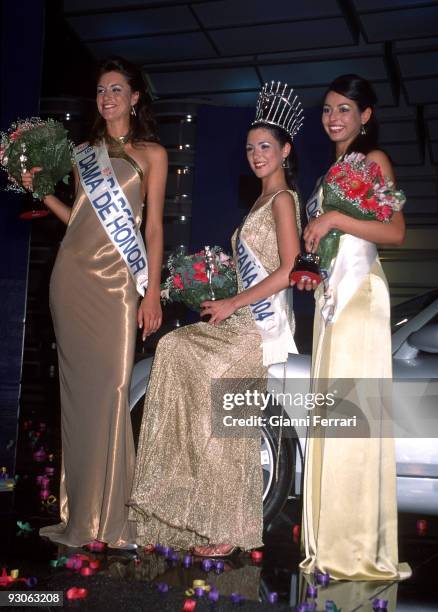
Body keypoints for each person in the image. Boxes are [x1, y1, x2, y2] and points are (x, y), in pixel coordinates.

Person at [128, 82, 303, 556]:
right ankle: (181, 507)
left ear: (286, 149)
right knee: (172, 348)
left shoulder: (283, 199)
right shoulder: (259, 203)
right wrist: (217, 292)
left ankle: (228, 526)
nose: (256, 154)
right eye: (250, 148)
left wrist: (232, 303)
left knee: (228, 409)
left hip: (256, 330)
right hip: (241, 319)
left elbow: (290, 270)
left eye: (266, 146)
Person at [21, 56, 168, 548]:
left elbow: (152, 228)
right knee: (77, 398)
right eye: (101, 90)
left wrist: (151, 293)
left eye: (116, 89)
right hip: (73, 277)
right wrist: (42, 193)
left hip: (119, 285)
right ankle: (80, 513)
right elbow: (80, 218)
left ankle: (110, 516)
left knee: (111, 393)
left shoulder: (152, 154)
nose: (107, 98)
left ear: (134, 98)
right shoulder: (84, 152)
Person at [295, 74, 411, 580]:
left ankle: (355, 546)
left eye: (344, 108)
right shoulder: (330, 174)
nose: (333, 117)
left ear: (365, 115)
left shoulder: (374, 161)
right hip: (332, 299)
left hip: (361, 297)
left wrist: (335, 221)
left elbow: (395, 231)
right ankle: (332, 543)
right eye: (327, 109)